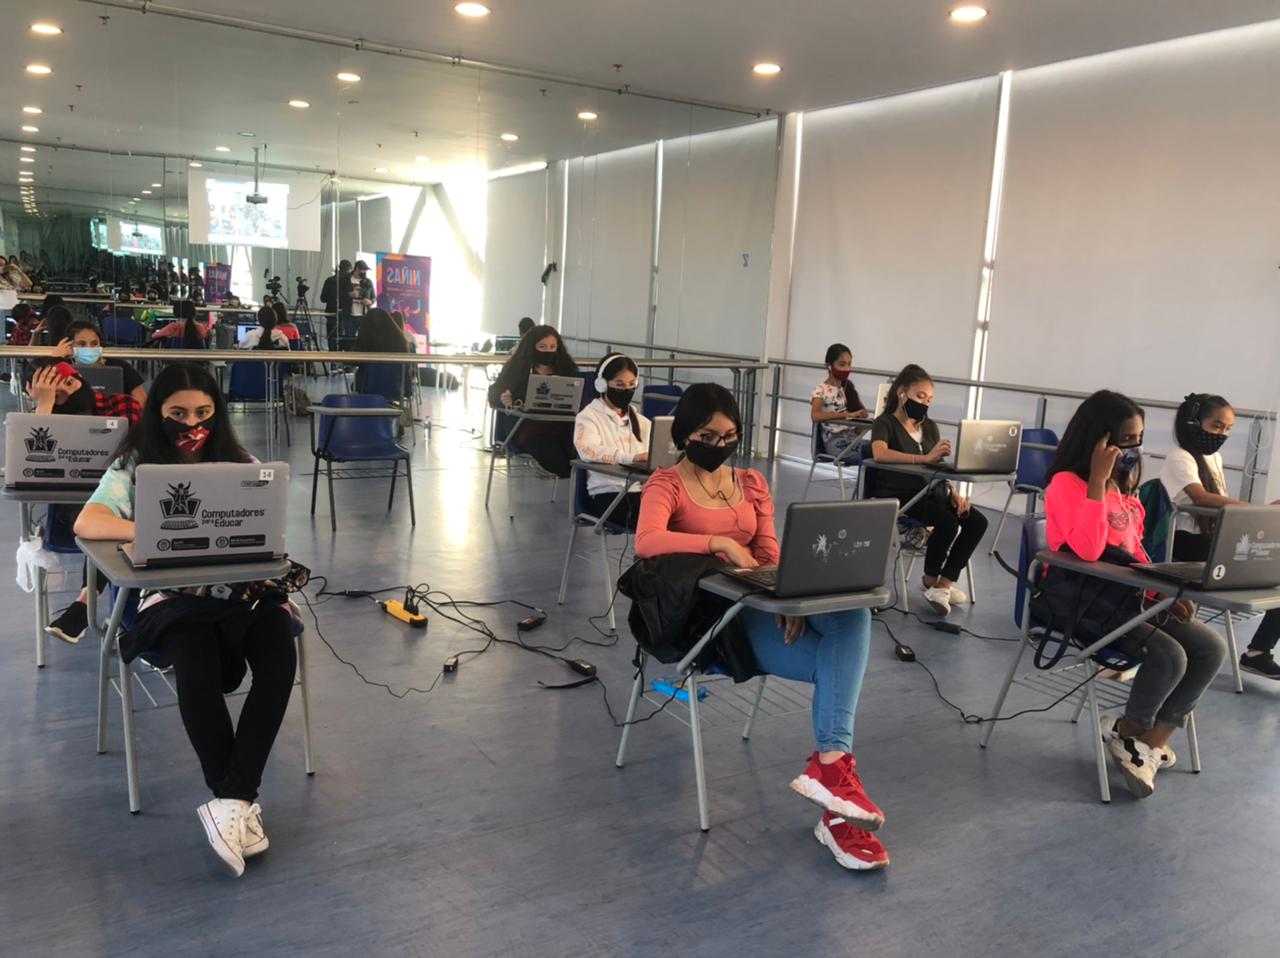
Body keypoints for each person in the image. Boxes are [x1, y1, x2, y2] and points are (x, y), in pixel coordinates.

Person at [634, 383, 887, 870]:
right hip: (711, 623)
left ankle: (832, 776)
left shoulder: (750, 482)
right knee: (836, 668)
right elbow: (647, 541)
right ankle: (836, 807)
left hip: (757, 602)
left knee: (853, 612)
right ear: (686, 435)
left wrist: (786, 595)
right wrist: (719, 545)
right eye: (708, 434)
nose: (720, 443)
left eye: (730, 434)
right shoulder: (665, 484)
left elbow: (768, 553)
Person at [74, 363, 298, 877]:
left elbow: (267, 522)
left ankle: (231, 802)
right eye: (178, 413)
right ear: (158, 413)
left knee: (279, 648)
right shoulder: (137, 463)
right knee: (194, 656)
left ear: (216, 413)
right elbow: (90, 520)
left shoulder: (240, 462)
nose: (191, 422)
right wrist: (160, 528)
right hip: (173, 601)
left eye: (202, 412)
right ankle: (236, 800)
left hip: (243, 595)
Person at [1045, 389, 1227, 798]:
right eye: (1126, 439)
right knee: (1170, 656)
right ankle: (1130, 736)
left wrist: (1168, 589)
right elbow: (1089, 551)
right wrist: (1095, 482)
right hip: (1087, 601)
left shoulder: (1120, 487)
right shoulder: (1067, 485)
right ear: (1098, 440)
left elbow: (1136, 552)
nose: (1134, 448)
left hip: (1131, 596)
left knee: (1211, 649)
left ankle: (1147, 742)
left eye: (1138, 438)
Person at [1159, 393, 1280, 680]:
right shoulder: (1179, 457)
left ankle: (1257, 654)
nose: (1222, 434)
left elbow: (1219, 502)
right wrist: (1259, 510)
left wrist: (1263, 513)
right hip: (1185, 541)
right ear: (1193, 423)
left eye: (1227, 429)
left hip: (1212, 539)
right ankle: (1258, 654)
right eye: (1216, 426)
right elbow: (1200, 497)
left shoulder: (1213, 457)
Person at [23, 358, 143, 643]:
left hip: (123, 499)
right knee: (96, 516)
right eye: (55, 394)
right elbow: (32, 470)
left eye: (69, 384)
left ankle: (84, 602)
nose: (67, 395)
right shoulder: (42, 415)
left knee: (109, 516)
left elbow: (143, 457)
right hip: (72, 512)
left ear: (81, 378)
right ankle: (101, 609)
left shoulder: (123, 405)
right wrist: (45, 406)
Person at [867, 364, 987, 616]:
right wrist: (923, 459)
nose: (924, 403)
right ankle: (931, 578)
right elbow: (879, 453)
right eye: (920, 396)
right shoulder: (884, 422)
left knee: (977, 522)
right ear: (902, 393)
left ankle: (944, 584)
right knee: (947, 523)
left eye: (929, 399)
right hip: (901, 494)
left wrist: (953, 491)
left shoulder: (929, 427)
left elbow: (938, 465)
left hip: (932, 491)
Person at [487, 324, 579, 478]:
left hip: (561, 427)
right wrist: (504, 398)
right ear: (532, 347)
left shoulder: (566, 369)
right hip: (527, 429)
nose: (548, 351)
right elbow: (494, 393)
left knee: (576, 453)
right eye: (542, 346)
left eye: (552, 347)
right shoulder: (517, 369)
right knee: (555, 457)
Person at [573, 354, 651, 528]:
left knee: (680, 515)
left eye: (632, 384)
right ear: (602, 384)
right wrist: (630, 458)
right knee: (654, 521)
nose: (627, 390)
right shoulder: (588, 417)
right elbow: (588, 450)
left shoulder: (642, 422)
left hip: (642, 491)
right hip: (607, 494)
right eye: (619, 384)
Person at [54, 319, 148, 406]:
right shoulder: (62, 367)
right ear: (69, 346)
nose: (89, 348)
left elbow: (142, 401)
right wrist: (55, 359)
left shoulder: (120, 366)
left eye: (94, 344)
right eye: (82, 344)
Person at [811, 343, 870, 461]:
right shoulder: (820, 390)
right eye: (842, 364)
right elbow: (815, 415)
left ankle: (867, 480)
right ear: (829, 366)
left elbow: (860, 417)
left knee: (881, 448)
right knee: (874, 452)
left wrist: (863, 418)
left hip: (851, 438)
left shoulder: (847, 388)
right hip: (835, 443)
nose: (847, 369)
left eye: (849, 364)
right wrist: (846, 415)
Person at [352, 307, 410, 400]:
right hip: (396, 388)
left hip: (367, 388)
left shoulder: (366, 343)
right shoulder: (401, 342)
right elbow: (407, 369)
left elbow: (352, 362)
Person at [319, 259, 353, 351]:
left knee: (332, 341)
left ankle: (333, 362)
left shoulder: (330, 280)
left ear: (339, 267)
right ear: (350, 268)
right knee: (347, 340)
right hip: (347, 315)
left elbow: (323, 298)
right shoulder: (351, 282)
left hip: (331, 315)